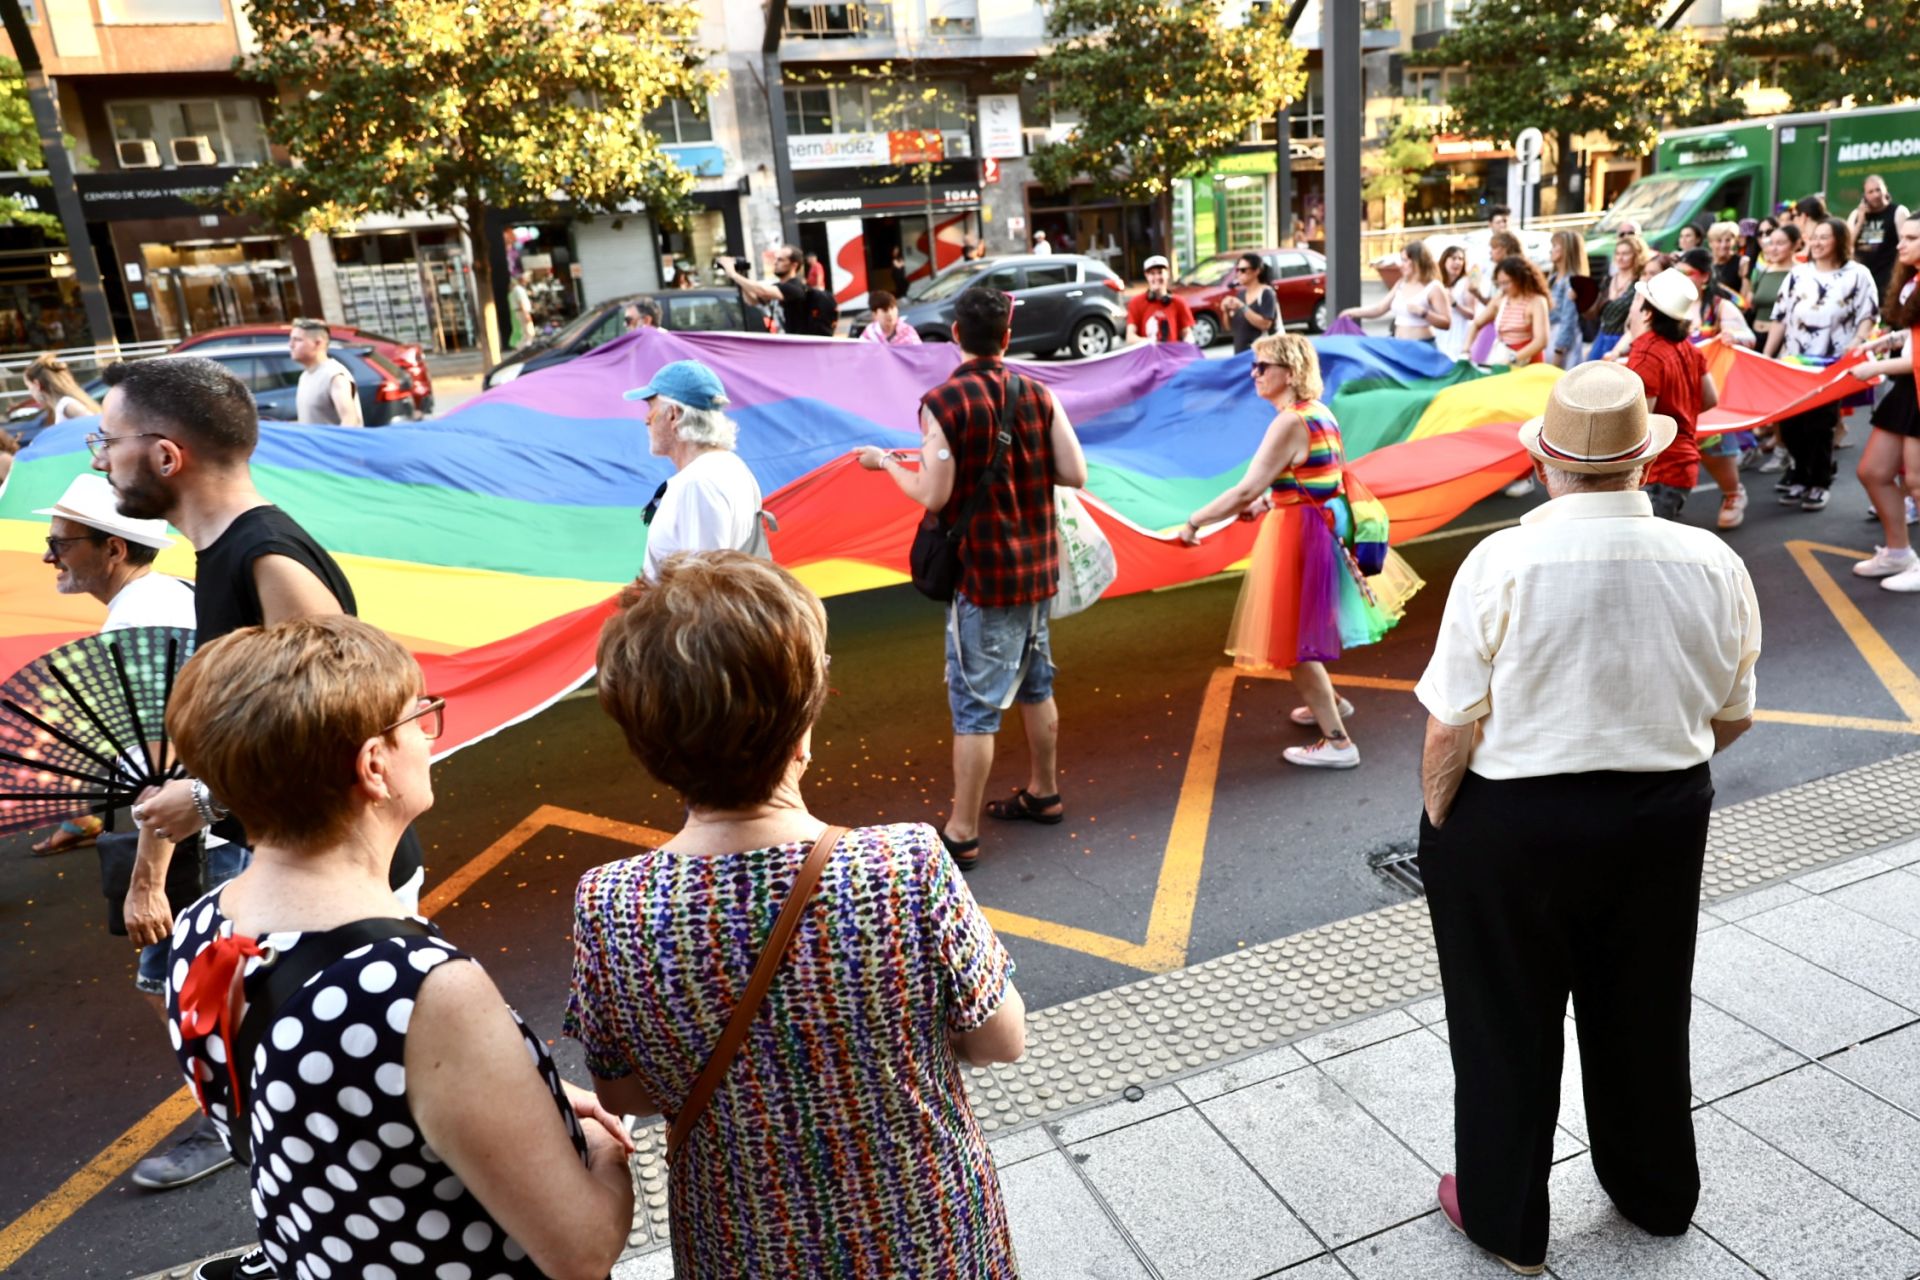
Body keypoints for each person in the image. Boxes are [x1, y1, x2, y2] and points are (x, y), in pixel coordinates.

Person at [566, 552, 1026, 1278]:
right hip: (928, 1237)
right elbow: (1001, 1040)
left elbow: (625, 1092)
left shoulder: (611, 905)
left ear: (650, 748)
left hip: (742, 1248)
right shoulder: (904, 865)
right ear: (803, 727)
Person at [1416, 360, 1760, 1277]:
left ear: (1547, 467)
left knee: (1502, 1023)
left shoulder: (1500, 561)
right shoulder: (1712, 561)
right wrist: (1647, 778)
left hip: (1512, 822)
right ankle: (1654, 1194)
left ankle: (1506, 1221)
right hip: (1661, 816)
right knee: (1646, 1007)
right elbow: (1733, 716)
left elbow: (1450, 727)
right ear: (1644, 463)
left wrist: (1443, 828)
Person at [166, 615, 637, 1280]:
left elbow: (331, 1107)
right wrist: (599, 1144)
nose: (429, 733)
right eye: (420, 717)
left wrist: (513, 1097)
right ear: (374, 765)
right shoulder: (420, 990)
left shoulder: (204, 933)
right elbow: (580, 1250)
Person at [89, 356, 423, 1260]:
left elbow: (358, 720)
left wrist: (201, 795)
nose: (99, 460)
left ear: (164, 455)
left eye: (106, 443)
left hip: (346, 878)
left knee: (356, 1082)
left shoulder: (264, 557)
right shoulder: (222, 552)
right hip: (296, 863)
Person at [856, 286, 1087, 870]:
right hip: (1037, 571)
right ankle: (1045, 791)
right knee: (1038, 684)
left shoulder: (943, 402)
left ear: (954, 335)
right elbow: (1075, 472)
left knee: (976, 709)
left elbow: (932, 494)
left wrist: (885, 464)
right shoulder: (1038, 394)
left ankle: (962, 831)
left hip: (984, 579)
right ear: (1006, 338)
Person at [1177, 333, 1421, 769]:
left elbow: (1246, 487)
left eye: (1262, 367)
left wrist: (1196, 521)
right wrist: (1271, 500)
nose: (1254, 374)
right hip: (1319, 528)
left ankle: (1338, 743)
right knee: (1309, 627)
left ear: (1288, 373)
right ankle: (1331, 702)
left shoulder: (1289, 422)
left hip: (1300, 536)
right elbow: (1317, 480)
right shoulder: (1319, 413)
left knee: (1294, 642)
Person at [30, 473, 196, 856]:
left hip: (189, 834)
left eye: (60, 544)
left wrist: (146, 884)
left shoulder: (135, 623)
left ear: (114, 550)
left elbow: (161, 764)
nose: (48, 556)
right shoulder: (170, 591)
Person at [1765, 216, 1880, 510]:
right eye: (1814, 237)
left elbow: (1869, 314)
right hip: (1793, 362)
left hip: (1830, 365)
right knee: (1790, 426)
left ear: (1840, 241)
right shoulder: (1797, 274)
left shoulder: (1858, 274)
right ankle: (1800, 474)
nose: (1816, 243)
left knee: (1819, 425)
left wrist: (1857, 342)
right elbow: (1780, 317)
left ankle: (1819, 481)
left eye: (1824, 237)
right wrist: (1767, 356)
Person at [625, 359, 764, 582]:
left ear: (674, 414)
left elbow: (699, 592)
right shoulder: (734, 468)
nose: (645, 419)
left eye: (651, 407)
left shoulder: (697, 484)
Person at [1621, 269, 1729, 526]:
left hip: (1657, 471)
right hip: (1681, 467)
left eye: (1638, 301)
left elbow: (1640, 421)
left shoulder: (1646, 353)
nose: (1633, 306)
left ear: (1647, 313)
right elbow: (1710, 399)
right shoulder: (1689, 349)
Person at [1850, 213, 1920, 591]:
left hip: (1914, 385)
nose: (1900, 243)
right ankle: (1898, 552)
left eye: (1911, 237)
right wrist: (1883, 342)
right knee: (1873, 472)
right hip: (1908, 389)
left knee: (1917, 482)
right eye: (1903, 235)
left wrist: (1871, 367)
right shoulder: (1913, 280)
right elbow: (1912, 336)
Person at [1342, 240, 1451, 344]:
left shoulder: (1433, 287)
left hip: (1421, 347)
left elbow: (1446, 322)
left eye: (1405, 260)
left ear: (1417, 262)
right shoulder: (1401, 283)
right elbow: (1380, 308)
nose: (1401, 265)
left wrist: (1424, 313)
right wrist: (1352, 312)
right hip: (1399, 345)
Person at [1466, 255, 1551, 367]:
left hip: (1528, 363)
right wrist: (1466, 350)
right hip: (1505, 358)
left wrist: (1513, 358)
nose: (1502, 288)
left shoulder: (1537, 301)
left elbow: (1541, 341)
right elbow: (1476, 324)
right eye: (1499, 283)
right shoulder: (1500, 300)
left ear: (1520, 279)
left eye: (1506, 283)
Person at [720, 245, 820, 335]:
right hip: (785, 343)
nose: (775, 263)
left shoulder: (795, 287)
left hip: (798, 346)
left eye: (780, 260)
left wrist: (734, 274)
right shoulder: (779, 286)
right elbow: (752, 300)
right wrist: (740, 277)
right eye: (775, 259)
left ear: (794, 265)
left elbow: (761, 290)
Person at [287, 318, 363, 427]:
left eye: (297, 340)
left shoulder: (334, 375)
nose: (291, 345)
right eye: (291, 339)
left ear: (318, 343)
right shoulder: (305, 376)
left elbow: (350, 419)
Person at [1677, 248, 1755, 348]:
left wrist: (1734, 337)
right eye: (1678, 273)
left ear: (1705, 276)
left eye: (1687, 273)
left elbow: (1750, 338)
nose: (1681, 278)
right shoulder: (1669, 304)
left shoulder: (1720, 306)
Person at [1587, 233, 1647, 361]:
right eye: (1618, 253)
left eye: (1625, 254)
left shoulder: (1638, 283)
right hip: (1602, 337)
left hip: (1623, 340)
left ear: (1636, 255)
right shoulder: (1607, 280)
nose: (1620, 257)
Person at [1850, 175, 1908, 295]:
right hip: (1861, 282)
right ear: (1864, 196)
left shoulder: (1898, 212)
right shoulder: (1856, 215)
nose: (1876, 195)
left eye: (1878, 190)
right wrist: (1860, 221)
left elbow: (1907, 245)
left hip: (1889, 281)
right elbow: (1845, 245)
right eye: (1870, 192)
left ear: (1885, 190)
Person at [1127, 254, 1197, 343]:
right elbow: (1130, 337)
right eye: (1152, 273)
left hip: (1172, 355)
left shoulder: (1179, 302)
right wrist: (1148, 342)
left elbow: (1186, 333)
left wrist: (1189, 342)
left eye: (1160, 272)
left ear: (1167, 273)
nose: (1157, 277)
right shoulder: (1136, 303)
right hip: (1149, 355)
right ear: (1146, 275)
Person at [1545, 231, 1589, 368]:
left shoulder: (1571, 281)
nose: (1550, 250)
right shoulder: (1553, 278)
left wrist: (1559, 350)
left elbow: (1568, 320)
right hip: (1549, 335)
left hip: (1559, 342)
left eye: (1554, 246)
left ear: (1566, 250)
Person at [1222, 252, 1279, 354]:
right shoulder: (1241, 294)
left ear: (1256, 271)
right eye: (1237, 270)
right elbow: (1229, 328)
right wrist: (1225, 311)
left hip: (1261, 355)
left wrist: (1242, 306)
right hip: (1240, 355)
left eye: (1243, 270)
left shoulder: (1266, 293)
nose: (1239, 273)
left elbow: (1265, 325)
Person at [24, 352, 101, 425]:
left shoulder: (66, 405)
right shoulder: (64, 405)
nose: (30, 392)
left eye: (29, 387)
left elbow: (95, 426)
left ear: (37, 385)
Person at [1437, 243, 1476, 360]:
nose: (1458, 262)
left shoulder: (1466, 282)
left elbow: (1471, 314)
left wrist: (1455, 304)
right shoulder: (1436, 282)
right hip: (1439, 332)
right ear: (1444, 261)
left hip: (1458, 333)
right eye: (1453, 258)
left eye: (1461, 259)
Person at [1706, 221, 1752, 310]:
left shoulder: (1742, 262)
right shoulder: (1706, 263)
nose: (1723, 245)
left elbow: (1744, 302)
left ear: (1734, 241)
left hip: (1731, 314)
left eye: (1728, 240)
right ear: (1710, 243)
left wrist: (1721, 288)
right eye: (1719, 241)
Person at [508, 270, 535, 349]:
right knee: (529, 332)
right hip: (522, 312)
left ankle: (522, 347)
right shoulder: (518, 290)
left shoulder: (517, 289)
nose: (527, 280)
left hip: (520, 312)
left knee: (526, 332)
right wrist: (526, 314)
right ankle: (522, 348)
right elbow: (521, 303)